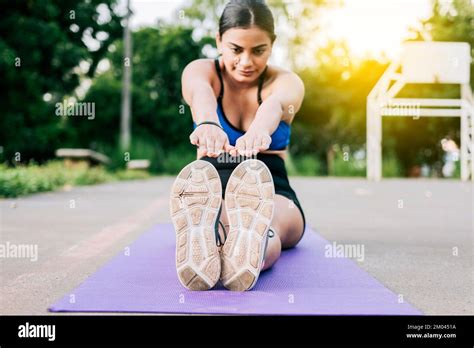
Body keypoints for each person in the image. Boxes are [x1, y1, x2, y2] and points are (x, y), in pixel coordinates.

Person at [170, 0, 306, 291]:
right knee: (235, 221)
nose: (246, 62)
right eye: (236, 49)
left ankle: (240, 249)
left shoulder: (287, 81)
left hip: (266, 177)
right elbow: (200, 93)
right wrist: (208, 123)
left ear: (272, 44)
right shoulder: (201, 70)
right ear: (218, 40)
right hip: (210, 179)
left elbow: (275, 104)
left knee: (276, 227)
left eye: (258, 51)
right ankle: (211, 232)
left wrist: (258, 131)